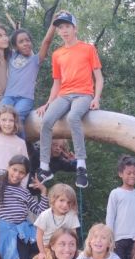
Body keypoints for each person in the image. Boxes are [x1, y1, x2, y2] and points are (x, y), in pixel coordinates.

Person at [35, 10, 103, 189]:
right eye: (60, 28)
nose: (64, 30)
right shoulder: (57, 54)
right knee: (46, 120)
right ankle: (44, 167)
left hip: (83, 93)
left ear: (75, 28)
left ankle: (81, 165)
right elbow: (56, 83)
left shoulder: (88, 48)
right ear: (57, 31)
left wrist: (96, 98)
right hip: (64, 95)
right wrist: (48, 103)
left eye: (67, 26)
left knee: (73, 117)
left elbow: (99, 77)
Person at [0, 154, 47, 259]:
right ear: (8, 167)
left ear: (26, 175)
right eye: (14, 170)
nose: (17, 175)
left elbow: (40, 211)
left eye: (21, 172)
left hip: (25, 231)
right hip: (7, 231)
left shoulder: (24, 192)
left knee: (43, 248)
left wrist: (43, 192)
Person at [0, 25, 54, 125]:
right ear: (15, 46)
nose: (25, 43)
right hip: (8, 97)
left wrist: (54, 23)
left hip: (25, 99)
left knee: (17, 117)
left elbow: (47, 41)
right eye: (21, 42)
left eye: (27, 40)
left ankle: (20, 136)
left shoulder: (36, 60)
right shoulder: (11, 56)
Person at [34, 182, 80, 252]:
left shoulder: (72, 215)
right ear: (53, 200)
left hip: (65, 246)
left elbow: (74, 235)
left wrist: (74, 250)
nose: (65, 205)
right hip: (48, 247)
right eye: (62, 200)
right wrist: (42, 252)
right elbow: (39, 236)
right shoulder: (45, 215)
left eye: (69, 202)